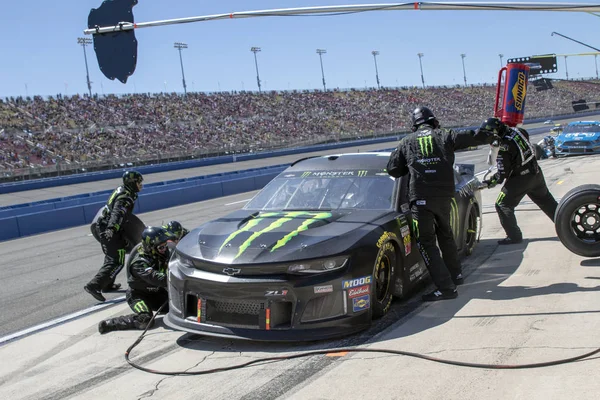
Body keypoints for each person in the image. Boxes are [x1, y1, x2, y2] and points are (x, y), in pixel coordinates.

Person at [387, 106, 494, 301]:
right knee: (446, 235)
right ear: (434, 121)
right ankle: (456, 275)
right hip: (445, 197)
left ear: (414, 125)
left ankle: (446, 288)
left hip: (421, 200)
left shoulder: (406, 142)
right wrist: (491, 131)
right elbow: (472, 137)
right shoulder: (445, 134)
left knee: (427, 243)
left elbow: (393, 170)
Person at [480, 117, 558, 245]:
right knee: (546, 201)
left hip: (522, 178)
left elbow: (502, 175)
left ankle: (514, 236)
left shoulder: (504, 146)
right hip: (536, 172)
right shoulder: (518, 131)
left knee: (502, 204)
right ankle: (566, 223)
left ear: (494, 132)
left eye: (487, 134)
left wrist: (488, 182)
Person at [98, 226, 173, 334]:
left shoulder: (161, 254)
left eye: (165, 246)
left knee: (182, 307)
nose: (165, 249)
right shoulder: (139, 263)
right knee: (145, 320)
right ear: (151, 247)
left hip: (157, 293)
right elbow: (158, 279)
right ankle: (110, 324)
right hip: (138, 295)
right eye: (161, 247)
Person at [84, 170, 144, 302]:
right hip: (109, 228)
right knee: (116, 261)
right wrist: (112, 228)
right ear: (132, 183)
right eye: (139, 182)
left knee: (111, 257)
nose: (141, 185)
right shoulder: (125, 197)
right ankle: (94, 285)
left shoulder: (122, 190)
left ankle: (107, 284)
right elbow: (117, 213)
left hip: (105, 225)